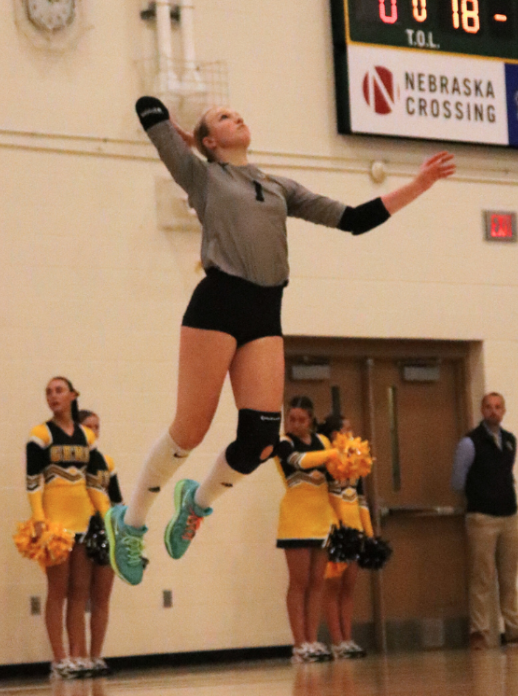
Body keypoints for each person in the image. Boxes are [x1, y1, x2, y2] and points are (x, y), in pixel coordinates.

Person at [105, 98, 455, 587]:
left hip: (265, 310)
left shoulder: (278, 187)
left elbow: (353, 219)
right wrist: (185, 137)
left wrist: (420, 184)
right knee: (190, 430)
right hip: (218, 303)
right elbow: (147, 108)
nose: (237, 117)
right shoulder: (202, 177)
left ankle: (196, 504)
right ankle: (131, 521)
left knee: (261, 442)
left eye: (235, 113)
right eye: (223, 118)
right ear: (209, 140)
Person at [24, 378, 112, 678]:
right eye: (48, 391)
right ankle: (59, 659)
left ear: (73, 395)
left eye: (59, 390)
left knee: (78, 592)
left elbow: (94, 482)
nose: (53, 396)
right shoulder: (41, 434)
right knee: (57, 591)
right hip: (54, 525)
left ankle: (77, 656)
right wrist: (38, 518)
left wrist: (107, 517)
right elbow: (33, 480)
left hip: (82, 523)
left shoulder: (87, 436)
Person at [451, 393, 518, 650]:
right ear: (482, 410)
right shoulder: (470, 442)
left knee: (509, 577)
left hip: (509, 517)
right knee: (482, 576)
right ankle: (478, 631)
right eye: (489, 407)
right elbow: (457, 480)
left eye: (498, 407)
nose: (493, 412)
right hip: (482, 518)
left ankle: (514, 629)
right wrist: (480, 493)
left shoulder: (510, 441)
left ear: (504, 411)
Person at [273, 396, 338, 663]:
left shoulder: (322, 442)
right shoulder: (283, 443)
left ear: (311, 420)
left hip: (322, 519)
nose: (295, 424)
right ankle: (298, 644)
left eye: (301, 419)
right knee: (298, 583)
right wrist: (333, 454)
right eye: (291, 418)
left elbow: (336, 473)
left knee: (316, 583)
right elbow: (298, 461)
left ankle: (312, 640)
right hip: (296, 520)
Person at [321, 412, 373, 659]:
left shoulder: (356, 462)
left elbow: (361, 499)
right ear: (334, 435)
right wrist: (335, 528)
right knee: (333, 586)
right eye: (346, 431)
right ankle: (336, 640)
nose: (351, 435)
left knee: (349, 587)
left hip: (354, 529)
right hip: (335, 529)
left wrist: (369, 534)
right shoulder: (327, 462)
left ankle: (348, 638)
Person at [77, 410, 122, 675]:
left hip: (104, 530)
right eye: (88, 426)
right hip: (79, 529)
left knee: (101, 598)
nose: (94, 430)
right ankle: (79, 657)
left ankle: (96, 656)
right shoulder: (71, 464)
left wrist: (124, 531)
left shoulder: (107, 462)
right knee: (78, 595)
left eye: (97, 426)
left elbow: (116, 500)